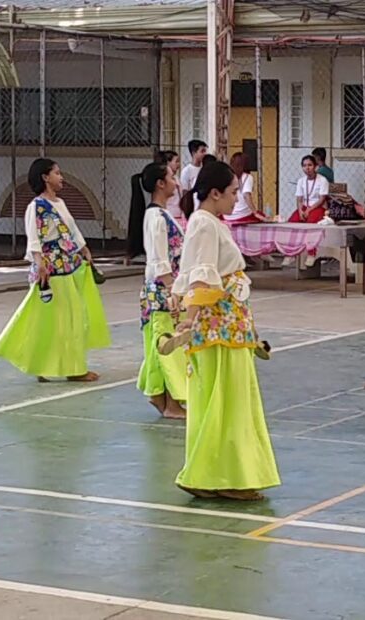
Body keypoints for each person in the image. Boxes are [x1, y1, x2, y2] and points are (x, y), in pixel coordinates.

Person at [168, 161, 280, 499]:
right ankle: (225, 477)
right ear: (214, 193)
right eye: (232, 193)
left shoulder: (207, 222)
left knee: (221, 400)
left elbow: (191, 272)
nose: (236, 199)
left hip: (228, 324)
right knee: (228, 401)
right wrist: (189, 318)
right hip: (220, 326)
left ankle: (214, 474)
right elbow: (201, 275)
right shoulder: (204, 224)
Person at [0, 158, 111, 382]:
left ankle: (58, 365)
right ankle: (68, 368)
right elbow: (33, 239)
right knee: (55, 319)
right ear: (45, 177)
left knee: (67, 319)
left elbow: (72, 229)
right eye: (57, 173)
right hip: (50, 270)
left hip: (67, 266)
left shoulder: (60, 203)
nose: (61, 177)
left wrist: (84, 249)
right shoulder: (35, 207)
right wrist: (40, 264)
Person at [126, 161, 187, 419]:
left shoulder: (162, 214)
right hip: (164, 290)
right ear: (161, 184)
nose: (176, 182)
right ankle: (171, 403)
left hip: (164, 288)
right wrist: (173, 290)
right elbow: (159, 259)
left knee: (161, 345)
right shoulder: (156, 217)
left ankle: (159, 395)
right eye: (172, 177)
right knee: (170, 346)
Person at [226, 152, 266, 225]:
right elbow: (246, 195)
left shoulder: (226, 176)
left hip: (227, 215)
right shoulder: (247, 177)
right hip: (242, 216)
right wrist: (255, 213)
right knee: (262, 216)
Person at [290, 155, 329, 223]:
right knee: (293, 220)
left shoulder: (322, 180)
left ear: (315, 166)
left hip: (318, 207)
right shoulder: (301, 181)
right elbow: (299, 200)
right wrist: (300, 211)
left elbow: (321, 200)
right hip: (304, 207)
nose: (307, 168)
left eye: (310, 165)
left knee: (311, 221)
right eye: (304, 165)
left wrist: (309, 210)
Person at [156, 150, 185, 227]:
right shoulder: (164, 182)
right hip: (170, 215)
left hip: (179, 215)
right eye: (176, 161)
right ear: (168, 163)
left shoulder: (177, 178)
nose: (179, 164)